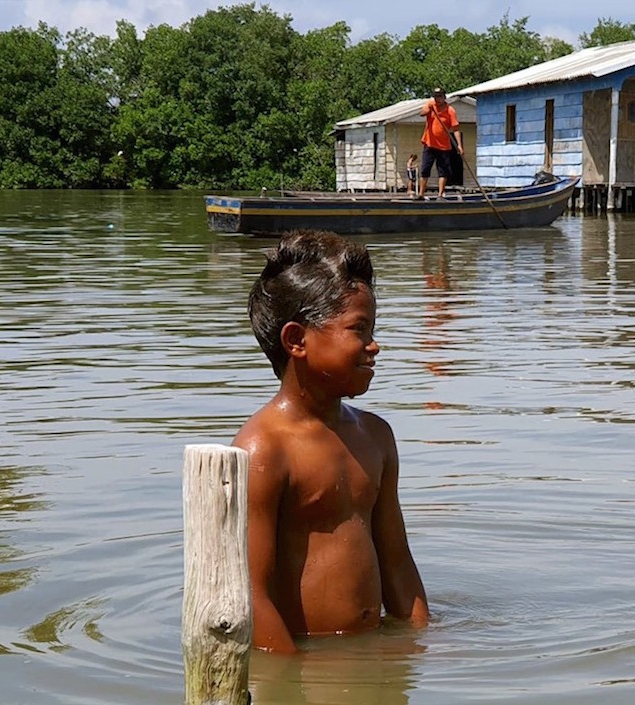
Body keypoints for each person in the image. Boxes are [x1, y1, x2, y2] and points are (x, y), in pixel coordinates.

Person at [233, 229, 429, 654]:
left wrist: (421, 650)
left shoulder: (376, 436)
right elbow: (251, 595)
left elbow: (397, 563)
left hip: (371, 661)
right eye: (358, 329)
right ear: (296, 340)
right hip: (305, 666)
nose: (373, 345)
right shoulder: (263, 450)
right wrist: (294, 682)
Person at [417, 87, 463, 200]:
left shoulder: (450, 110)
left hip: (443, 146)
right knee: (425, 169)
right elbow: (421, 113)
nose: (438, 99)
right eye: (436, 96)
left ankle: (440, 195)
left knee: (443, 171)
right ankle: (421, 194)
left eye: (440, 96)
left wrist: (459, 145)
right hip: (429, 143)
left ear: (444, 97)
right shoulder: (430, 105)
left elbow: (456, 129)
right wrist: (429, 109)